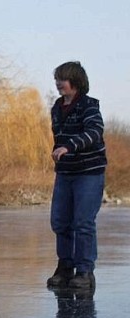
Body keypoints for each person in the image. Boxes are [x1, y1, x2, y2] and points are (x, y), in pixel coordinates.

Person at [46, 61, 107, 291]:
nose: (58, 83)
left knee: (83, 222)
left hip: (89, 173)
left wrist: (69, 147)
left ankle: (84, 271)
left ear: (76, 82)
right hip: (65, 172)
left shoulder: (89, 106)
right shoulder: (56, 108)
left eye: (63, 79)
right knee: (60, 221)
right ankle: (65, 267)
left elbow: (94, 132)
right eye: (57, 79)